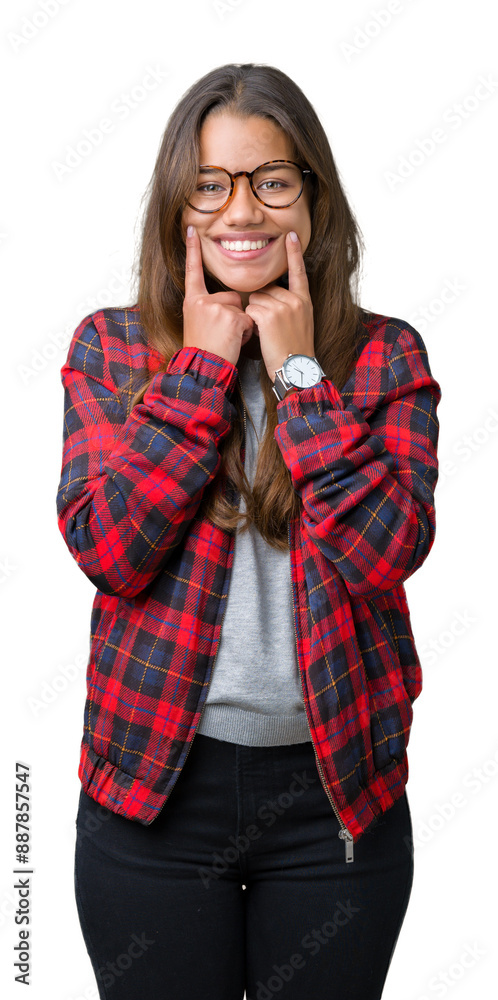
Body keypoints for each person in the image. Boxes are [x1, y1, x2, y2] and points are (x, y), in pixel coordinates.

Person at [56, 62, 442, 1000]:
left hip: (336, 803)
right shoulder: (111, 347)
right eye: (210, 184)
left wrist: (301, 371)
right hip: (152, 797)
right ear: (177, 206)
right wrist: (198, 368)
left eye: (271, 180)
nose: (243, 212)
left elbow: (387, 551)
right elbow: (108, 549)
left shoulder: (383, 354)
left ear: (312, 196)